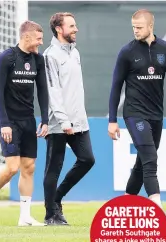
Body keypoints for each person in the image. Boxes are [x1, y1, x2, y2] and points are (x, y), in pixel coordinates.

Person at [108, 9, 166, 226]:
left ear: (150, 26)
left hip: (156, 115)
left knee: (142, 164)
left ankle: (124, 205)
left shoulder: (165, 50)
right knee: (151, 159)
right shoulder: (126, 52)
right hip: (134, 114)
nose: (135, 30)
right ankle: (158, 210)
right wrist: (112, 120)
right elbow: (115, 87)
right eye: (133, 27)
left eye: (139, 27)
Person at [0, 21, 49, 227]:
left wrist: (44, 119)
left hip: (28, 120)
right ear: (26, 37)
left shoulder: (38, 60)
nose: (41, 42)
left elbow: (43, 91)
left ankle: (25, 216)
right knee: (12, 168)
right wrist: (4, 122)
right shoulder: (6, 58)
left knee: (29, 167)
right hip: (9, 122)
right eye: (38, 38)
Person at [42, 12, 95, 225]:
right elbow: (53, 90)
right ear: (59, 29)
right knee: (54, 167)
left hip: (78, 120)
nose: (76, 29)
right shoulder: (50, 55)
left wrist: (78, 118)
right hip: (59, 123)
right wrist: (63, 120)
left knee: (87, 159)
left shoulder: (75, 53)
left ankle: (57, 198)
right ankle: (50, 214)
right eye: (72, 26)